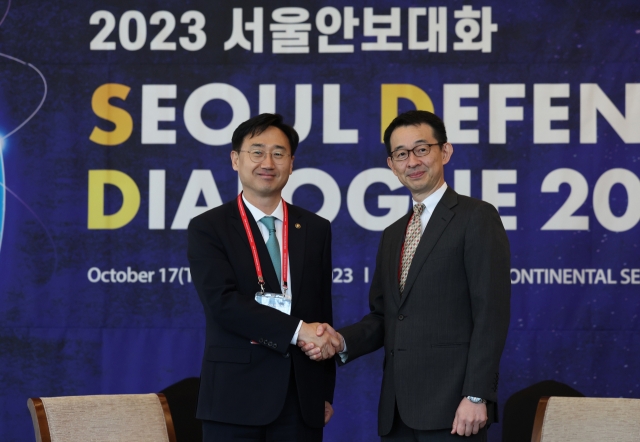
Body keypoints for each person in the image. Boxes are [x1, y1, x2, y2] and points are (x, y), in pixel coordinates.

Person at [300, 110, 511, 441]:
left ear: (445, 151)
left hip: (454, 410)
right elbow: (386, 317)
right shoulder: (393, 233)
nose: (412, 161)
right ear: (391, 165)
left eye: (421, 149)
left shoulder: (476, 217)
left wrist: (476, 395)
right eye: (401, 154)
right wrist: (340, 341)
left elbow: (491, 313)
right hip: (396, 413)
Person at [188, 113, 338, 441]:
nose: (267, 162)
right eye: (257, 151)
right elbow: (222, 304)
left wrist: (324, 391)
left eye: (278, 153)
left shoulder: (315, 228)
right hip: (233, 400)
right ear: (235, 159)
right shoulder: (208, 227)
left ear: (291, 162)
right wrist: (299, 331)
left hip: (300, 399)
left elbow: (321, 310)